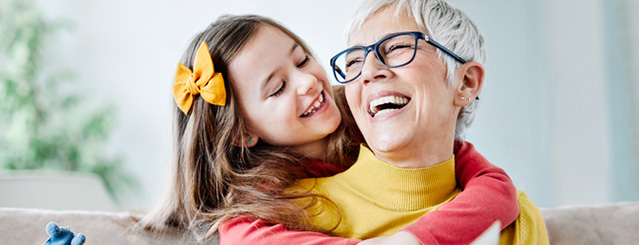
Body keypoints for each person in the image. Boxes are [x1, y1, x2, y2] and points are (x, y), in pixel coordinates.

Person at [138, 13, 519, 244]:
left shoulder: (368, 113)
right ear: (241, 133)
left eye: (302, 59)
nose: (307, 82)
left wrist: (415, 239)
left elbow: (497, 190)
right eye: (278, 88)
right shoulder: (260, 209)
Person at [282, 0, 550, 244]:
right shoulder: (295, 210)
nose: (369, 71)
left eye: (398, 47)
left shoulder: (518, 220)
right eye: (353, 61)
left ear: (466, 83)